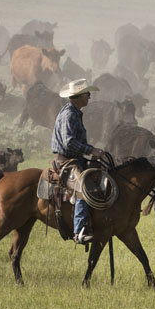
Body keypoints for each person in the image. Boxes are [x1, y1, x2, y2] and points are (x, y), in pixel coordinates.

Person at [52, 78, 104, 245]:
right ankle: (79, 230)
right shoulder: (69, 114)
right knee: (84, 188)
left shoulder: (74, 112)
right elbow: (68, 142)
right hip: (68, 161)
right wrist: (91, 150)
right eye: (87, 94)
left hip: (75, 158)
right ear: (79, 96)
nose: (89, 96)